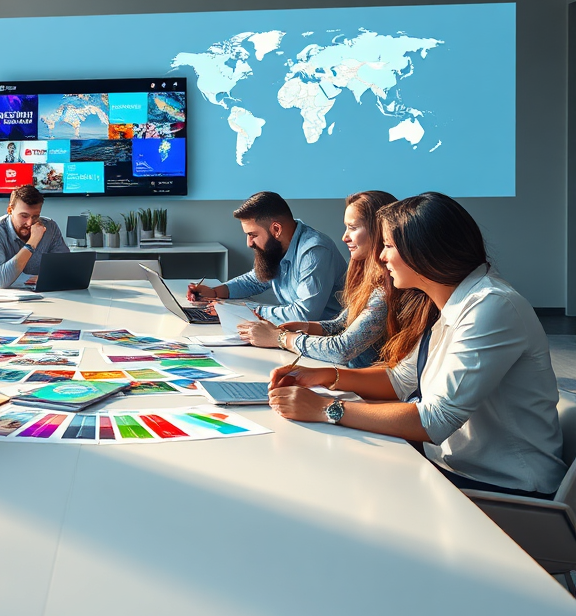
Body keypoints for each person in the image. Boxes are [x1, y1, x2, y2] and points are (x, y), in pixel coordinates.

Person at [268, 193, 565, 498]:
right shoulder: (454, 301)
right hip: (454, 469)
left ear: (423, 251)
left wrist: (326, 409)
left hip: (505, 489)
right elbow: (399, 380)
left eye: (388, 246)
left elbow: (436, 420)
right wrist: (324, 377)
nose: (381, 257)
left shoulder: (491, 306)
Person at [236, 191, 396, 367]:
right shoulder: (368, 278)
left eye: (353, 227)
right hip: (344, 372)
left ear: (380, 231)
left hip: (359, 384)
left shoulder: (384, 290)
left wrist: (280, 338)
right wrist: (305, 328)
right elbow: (342, 324)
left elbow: (342, 349)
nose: (344, 237)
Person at [188, 190, 346, 322]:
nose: (249, 243)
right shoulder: (281, 245)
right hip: (295, 334)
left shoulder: (314, 251)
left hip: (323, 341)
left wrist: (246, 311)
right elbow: (255, 280)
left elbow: (303, 314)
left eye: (253, 235)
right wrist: (214, 292)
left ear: (276, 229)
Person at [0, 184, 69, 288]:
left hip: (44, 295)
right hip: (6, 298)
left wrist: (49, 277)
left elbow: (65, 269)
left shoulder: (50, 227)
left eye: (35, 216)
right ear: (10, 210)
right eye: (24, 216)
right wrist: (32, 242)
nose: (30, 223)